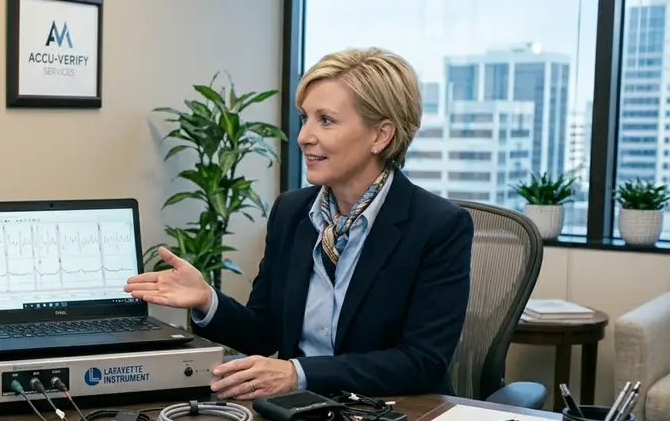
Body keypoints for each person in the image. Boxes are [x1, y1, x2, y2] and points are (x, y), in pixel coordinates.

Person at [125, 47, 473, 400]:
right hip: (304, 412)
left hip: (396, 414)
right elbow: (263, 333)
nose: (304, 136)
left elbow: (422, 362)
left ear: (381, 135)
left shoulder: (438, 225)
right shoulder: (292, 212)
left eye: (326, 120)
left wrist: (299, 373)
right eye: (305, 117)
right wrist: (206, 299)